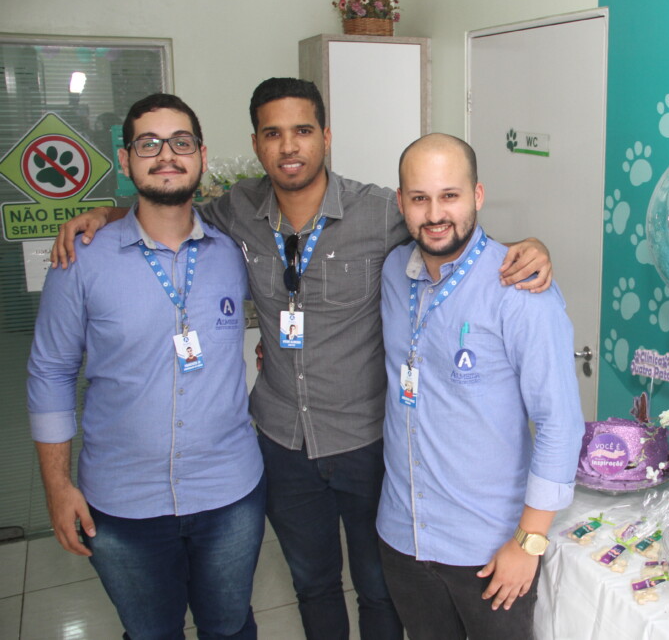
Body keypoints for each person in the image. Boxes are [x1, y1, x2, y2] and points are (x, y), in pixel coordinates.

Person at [50, 78, 552, 640]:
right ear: (256, 144)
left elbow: (448, 230)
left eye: (303, 131)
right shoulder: (234, 212)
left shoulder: (378, 211)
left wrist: (529, 248)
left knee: (379, 590)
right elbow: (167, 208)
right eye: (273, 134)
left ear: (326, 137)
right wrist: (106, 214)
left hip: (366, 440)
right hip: (282, 442)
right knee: (313, 585)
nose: (289, 146)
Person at [28, 93, 265, 639]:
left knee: (230, 627)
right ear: (125, 159)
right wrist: (57, 486)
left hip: (229, 493)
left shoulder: (234, 253)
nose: (166, 155)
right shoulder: (81, 259)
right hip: (122, 504)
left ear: (201, 156)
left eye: (181, 142)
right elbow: (50, 373)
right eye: (148, 144)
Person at [377, 133, 584, 640]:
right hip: (403, 535)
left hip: (491, 551)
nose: (435, 214)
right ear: (400, 201)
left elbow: (560, 423)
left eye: (449, 195)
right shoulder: (393, 272)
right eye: (420, 198)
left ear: (477, 195)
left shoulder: (521, 290)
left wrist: (529, 542)